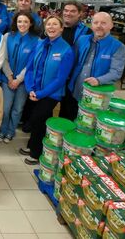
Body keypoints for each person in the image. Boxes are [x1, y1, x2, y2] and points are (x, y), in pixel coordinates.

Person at [20, 16, 74, 165]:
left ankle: (36, 153)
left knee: (38, 119)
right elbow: (30, 68)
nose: (51, 27)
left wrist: (41, 94)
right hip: (34, 90)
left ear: (61, 28)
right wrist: (30, 88)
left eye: (55, 24)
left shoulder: (66, 50)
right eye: (48, 24)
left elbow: (60, 79)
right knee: (39, 120)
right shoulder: (39, 44)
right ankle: (33, 146)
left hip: (52, 94)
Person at [64, 12, 125, 120]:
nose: (99, 26)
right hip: (74, 89)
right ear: (91, 25)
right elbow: (72, 61)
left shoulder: (117, 47)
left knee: (87, 123)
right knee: (68, 119)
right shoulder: (82, 40)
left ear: (111, 25)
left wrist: (99, 80)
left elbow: (116, 72)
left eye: (103, 23)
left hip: (96, 95)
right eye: (96, 22)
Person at [0, 12, 38, 143]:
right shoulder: (7, 36)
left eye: (25, 22)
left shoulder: (36, 41)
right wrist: (10, 77)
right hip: (7, 80)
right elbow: (3, 59)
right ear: (15, 22)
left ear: (30, 23)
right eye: (20, 21)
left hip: (23, 82)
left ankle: (10, 132)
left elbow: (30, 64)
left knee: (17, 109)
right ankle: (2, 130)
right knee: (5, 108)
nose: (22, 24)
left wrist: (18, 79)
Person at [57, 1, 92, 120]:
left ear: (80, 14)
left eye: (73, 11)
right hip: (54, 74)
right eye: (66, 10)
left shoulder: (86, 32)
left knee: (69, 108)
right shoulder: (56, 27)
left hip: (72, 77)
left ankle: (67, 133)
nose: (68, 13)